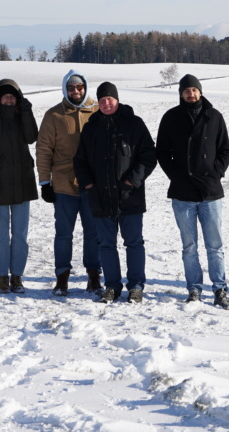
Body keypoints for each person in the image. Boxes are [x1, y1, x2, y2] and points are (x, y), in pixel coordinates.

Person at [72, 82, 157, 304]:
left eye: (109, 99)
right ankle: (112, 286)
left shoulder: (134, 124)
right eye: (102, 100)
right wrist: (89, 185)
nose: (106, 103)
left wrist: (132, 181)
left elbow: (148, 156)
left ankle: (136, 286)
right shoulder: (91, 128)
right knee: (106, 244)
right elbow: (80, 161)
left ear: (117, 99)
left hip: (130, 196)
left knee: (134, 243)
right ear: (97, 103)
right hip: (101, 197)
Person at [155, 73, 229, 307]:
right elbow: (162, 152)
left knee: (215, 246)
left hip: (210, 193)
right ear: (181, 93)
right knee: (189, 247)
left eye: (194, 90)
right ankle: (194, 289)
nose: (191, 94)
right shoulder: (171, 117)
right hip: (182, 193)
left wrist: (215, 173)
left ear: (200, 91)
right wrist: (177, 176)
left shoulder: (214, 116)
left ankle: (220, 289)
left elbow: (225, 151)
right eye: (186, 90)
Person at [37, 70, 102, 296]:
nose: (75, 91)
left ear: (85, 87)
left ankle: (94, 275)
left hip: (92, 184)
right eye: (71, 87)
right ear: (65, 89)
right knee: (63, 233)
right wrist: (45, 181)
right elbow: (44, 149)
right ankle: (62, 276)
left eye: (79, 87)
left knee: (93, 233)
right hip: (64, 185)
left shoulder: (97, 110)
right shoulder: (54, 115)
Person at [0, 78, 39, 292]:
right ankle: (2, 275)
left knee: (21, 234)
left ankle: (17, 275)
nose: (8, 99)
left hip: (23, 183)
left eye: (12, 96)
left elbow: (32, 137)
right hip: (0, 185)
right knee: (1, 234)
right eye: (5, 96)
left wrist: (26, 112)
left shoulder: (21, 116)